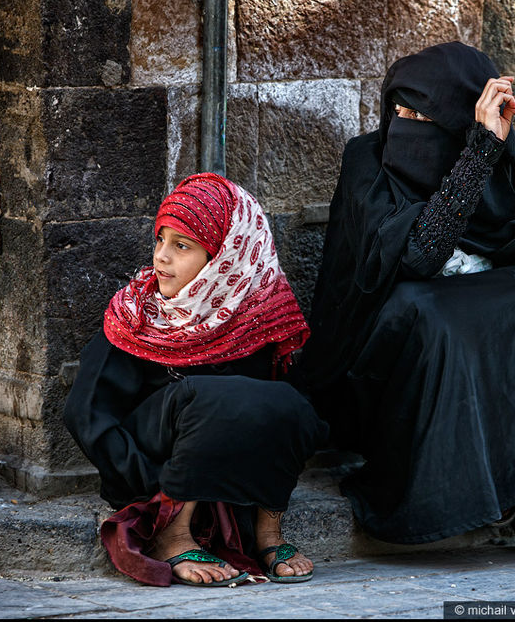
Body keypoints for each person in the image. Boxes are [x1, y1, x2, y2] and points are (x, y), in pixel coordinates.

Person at [299, 41, 515, 558]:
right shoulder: (369, 159)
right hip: (381, 364)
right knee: (432, 313)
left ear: (455, 117)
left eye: (422, 114)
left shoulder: (510, 165)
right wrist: (478, 151)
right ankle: (445, 496)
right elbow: (418, 256)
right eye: (399, 110)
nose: (405, 122)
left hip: (488, 343)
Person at [63, 172, 329, 587]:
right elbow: (85, 415)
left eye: (181, 246)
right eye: (160, 240)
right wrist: (157, 491)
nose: (161, 258)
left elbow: (284, 419)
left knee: (292, 403)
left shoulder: (260, 313)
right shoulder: (137, 315)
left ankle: (268, 531)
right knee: (206, 397)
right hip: (158, 474)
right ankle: (173, 534)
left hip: (226, 481)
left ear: (226, 258)